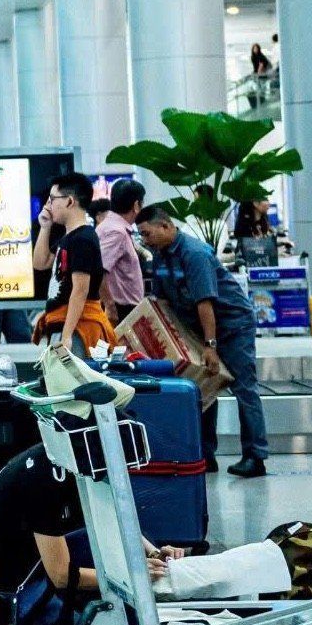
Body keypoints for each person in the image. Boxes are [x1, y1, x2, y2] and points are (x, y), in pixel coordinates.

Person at [0, 441, 179, 625]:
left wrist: (152, 553)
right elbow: (62, 576)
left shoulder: (69, 458)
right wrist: (129, 576)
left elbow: (110, 517)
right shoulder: (42, 481)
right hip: (4, 597)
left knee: (112, 551)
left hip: (19, 569)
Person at [136, 205, 269, 478]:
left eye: (147, 234)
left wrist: (211, 346)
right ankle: (205, 454)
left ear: (165, 226)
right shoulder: (160, 256)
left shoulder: (195, 254)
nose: (145, 241)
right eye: (142, 236)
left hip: (231, 325)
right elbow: (161, 301)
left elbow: (205, 302)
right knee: (203, 388)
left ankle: (256, 457)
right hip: (196, 326)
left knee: (244, 388)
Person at [32, 174, 116, 354]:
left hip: (78, 327)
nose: (49, 205)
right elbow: (41, 263)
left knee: (71, 381)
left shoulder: (83, 239)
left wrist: (67, 335)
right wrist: (45, 227)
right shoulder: (70, 237)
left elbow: (80, 290)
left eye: (53, 199)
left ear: (70, 201)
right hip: (64, 324)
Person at [97, 179, 146, 324]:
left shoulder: (110, 227)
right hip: (119, 311)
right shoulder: (116, 232)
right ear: (136, 205)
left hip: (121, 309)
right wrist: (109, 305)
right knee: (114, 347)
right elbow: (99, 268)